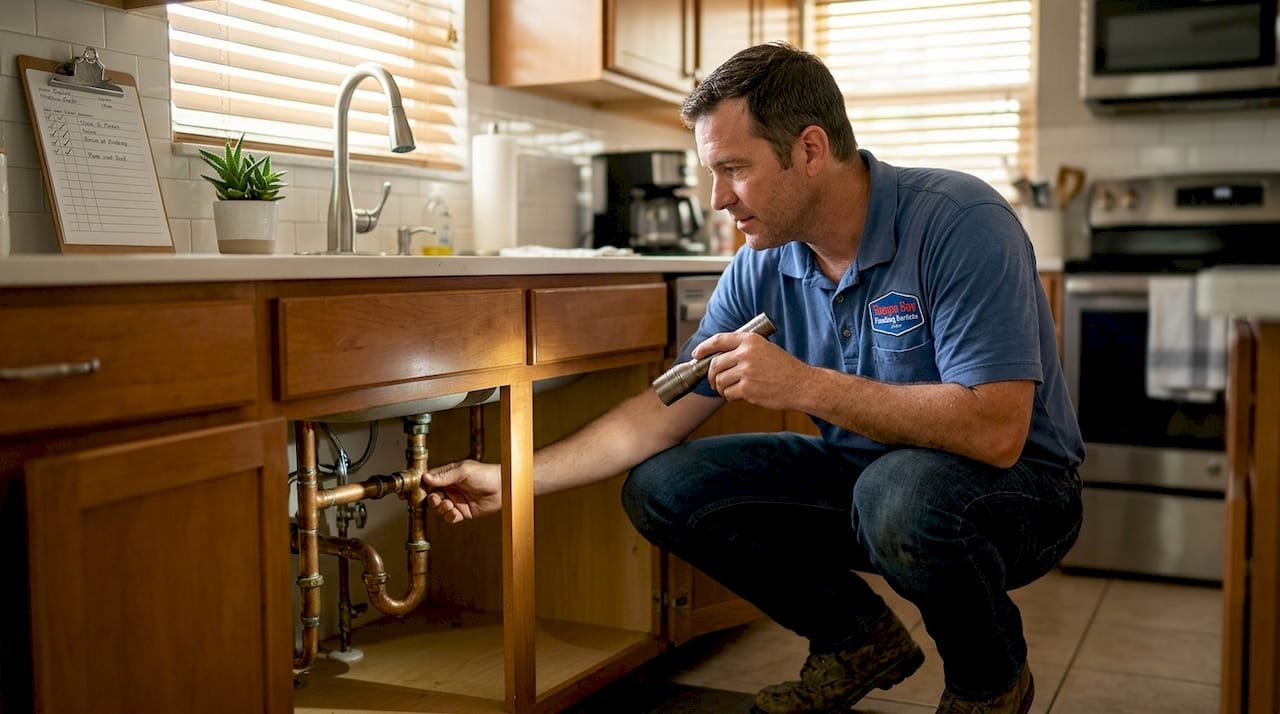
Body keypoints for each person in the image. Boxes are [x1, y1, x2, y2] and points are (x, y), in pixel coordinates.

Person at [424, 41, 1084, 714]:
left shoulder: (959, 222)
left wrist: (801, 385)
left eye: (734, 169)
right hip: (867, 483)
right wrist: (512, 480)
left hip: (1018, 494)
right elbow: (658, 413)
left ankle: (988, 681)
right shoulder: (762, 262)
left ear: (809, 149)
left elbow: (997, 430)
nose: (717, 200)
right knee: (664, 487)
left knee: (900, 494)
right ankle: (856, 641)